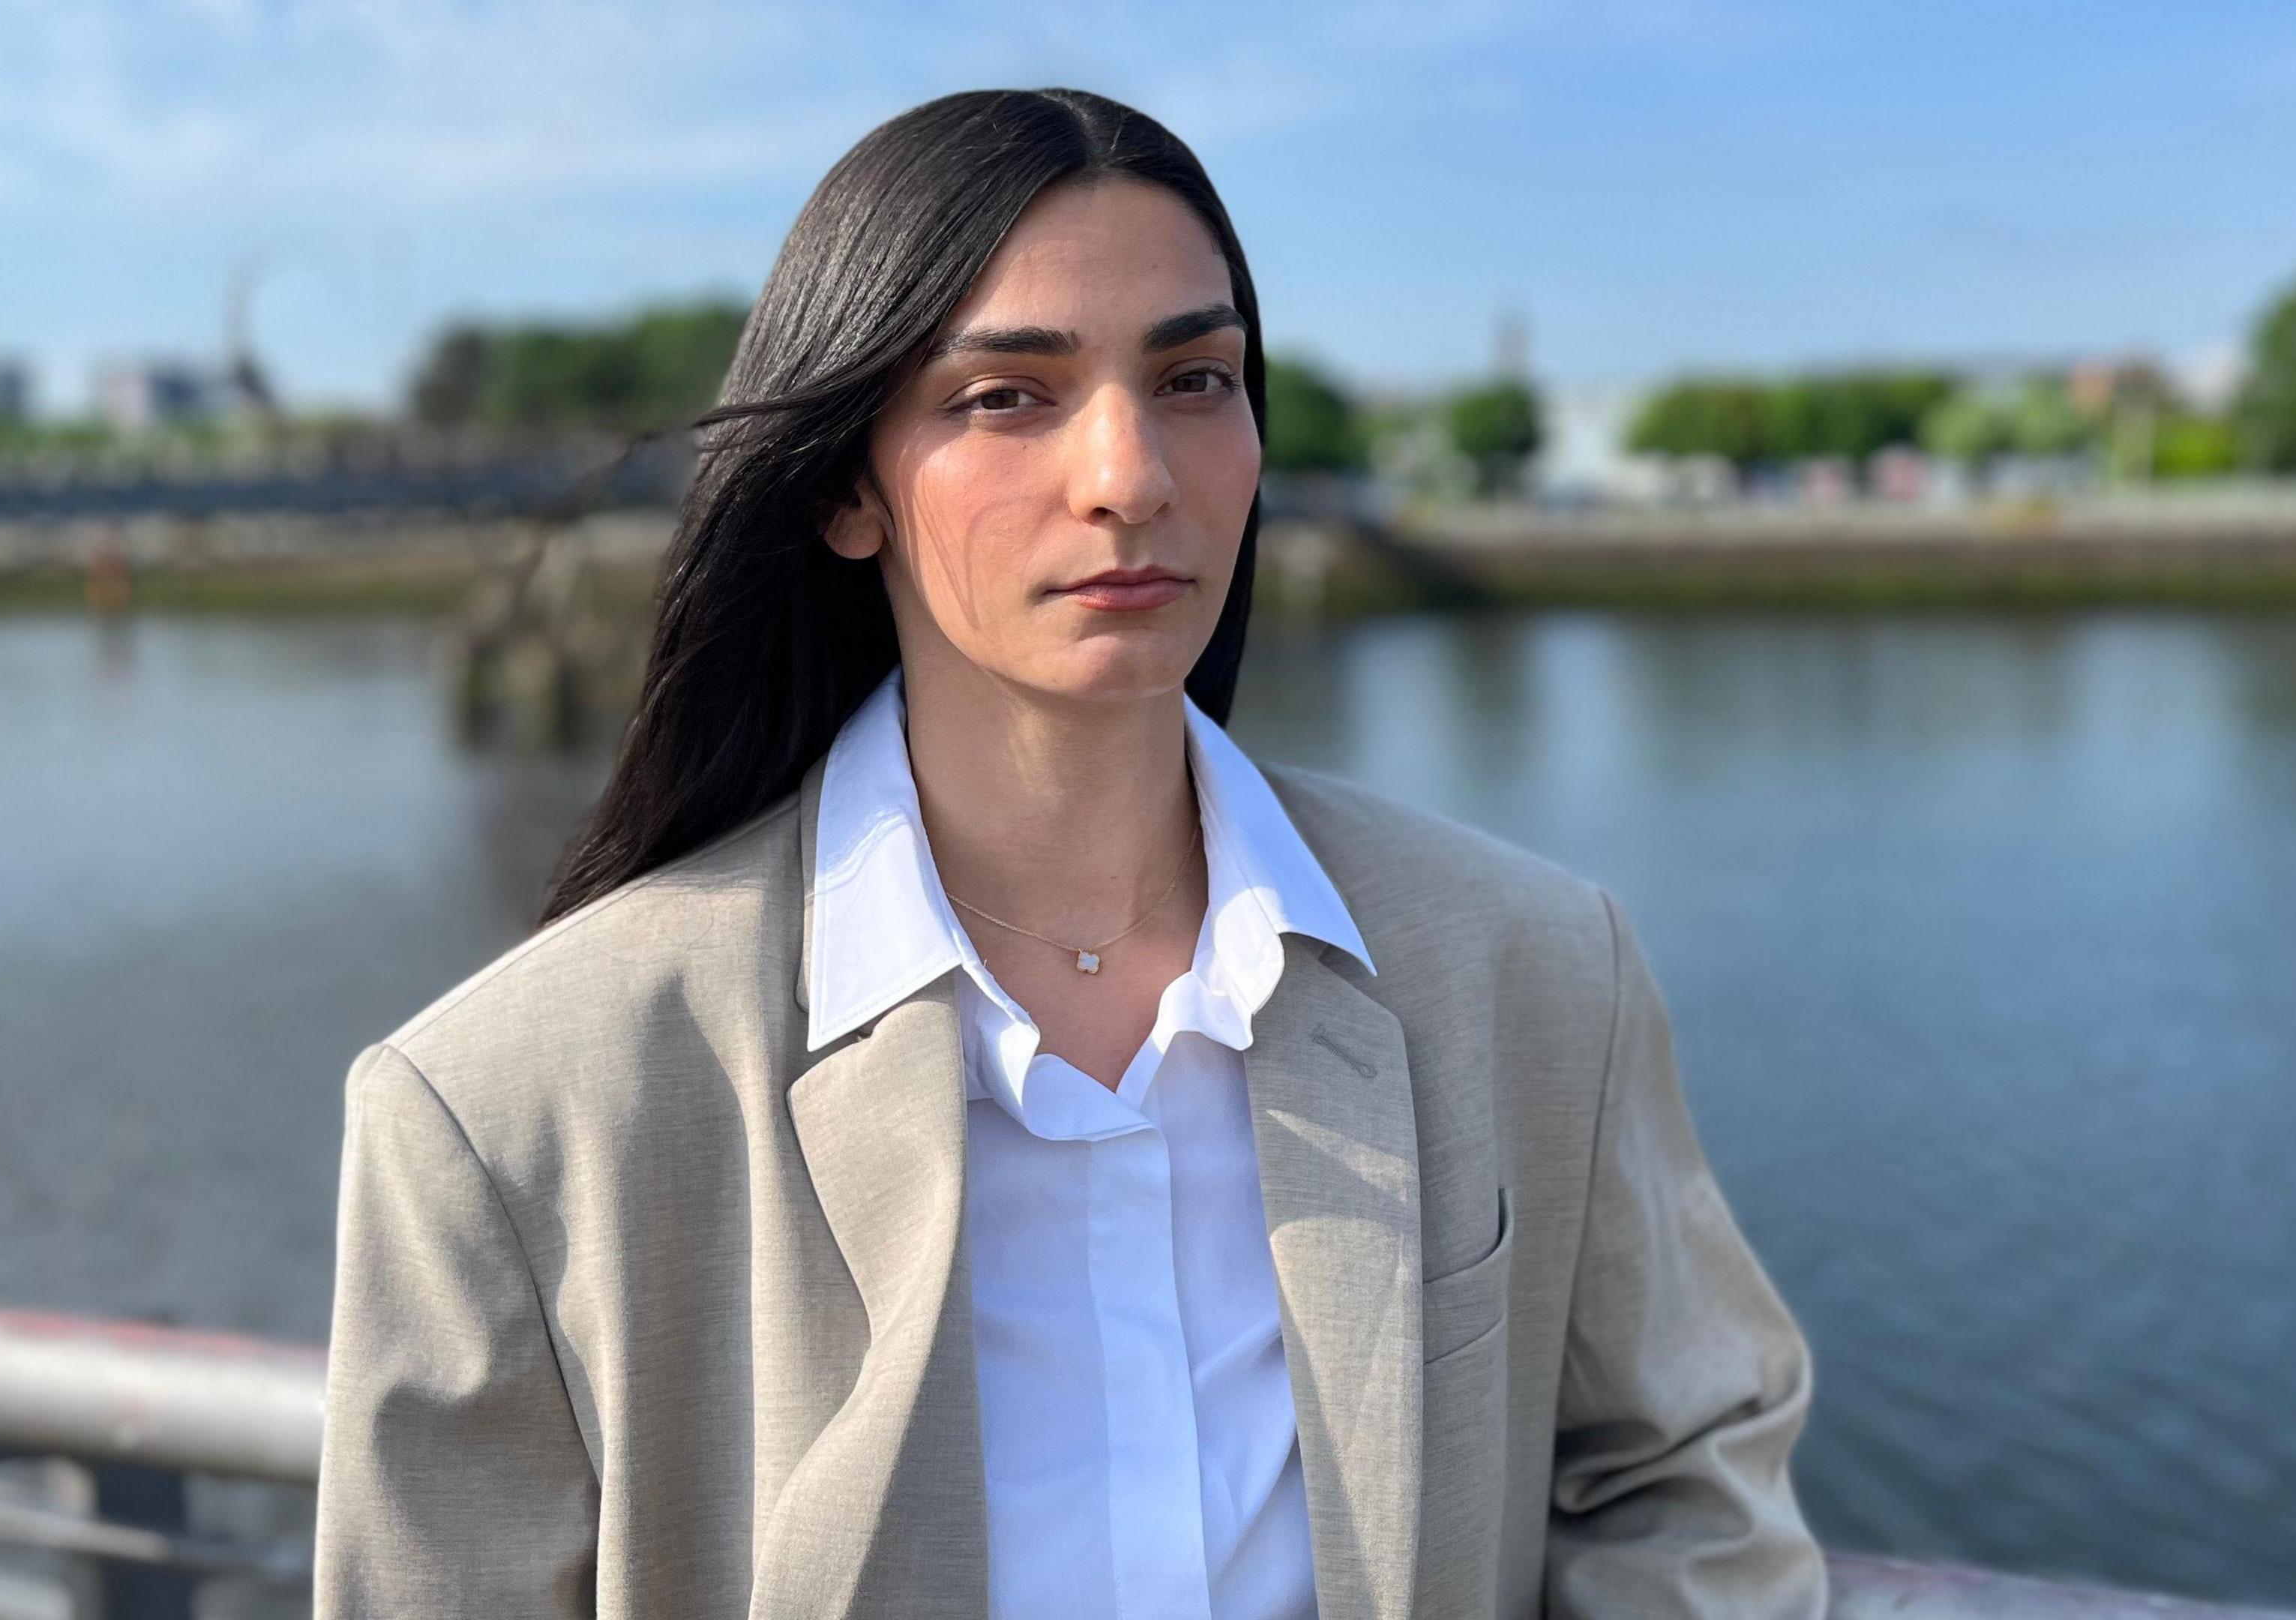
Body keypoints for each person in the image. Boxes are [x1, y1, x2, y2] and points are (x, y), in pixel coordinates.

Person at [313, 86, 1827, 1619]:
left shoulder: (1534, 969)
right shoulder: (505, 1117)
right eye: (1007, 397)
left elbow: (1686, 1474)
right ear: (846, 482)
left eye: (1195, 377)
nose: (1130, 475)